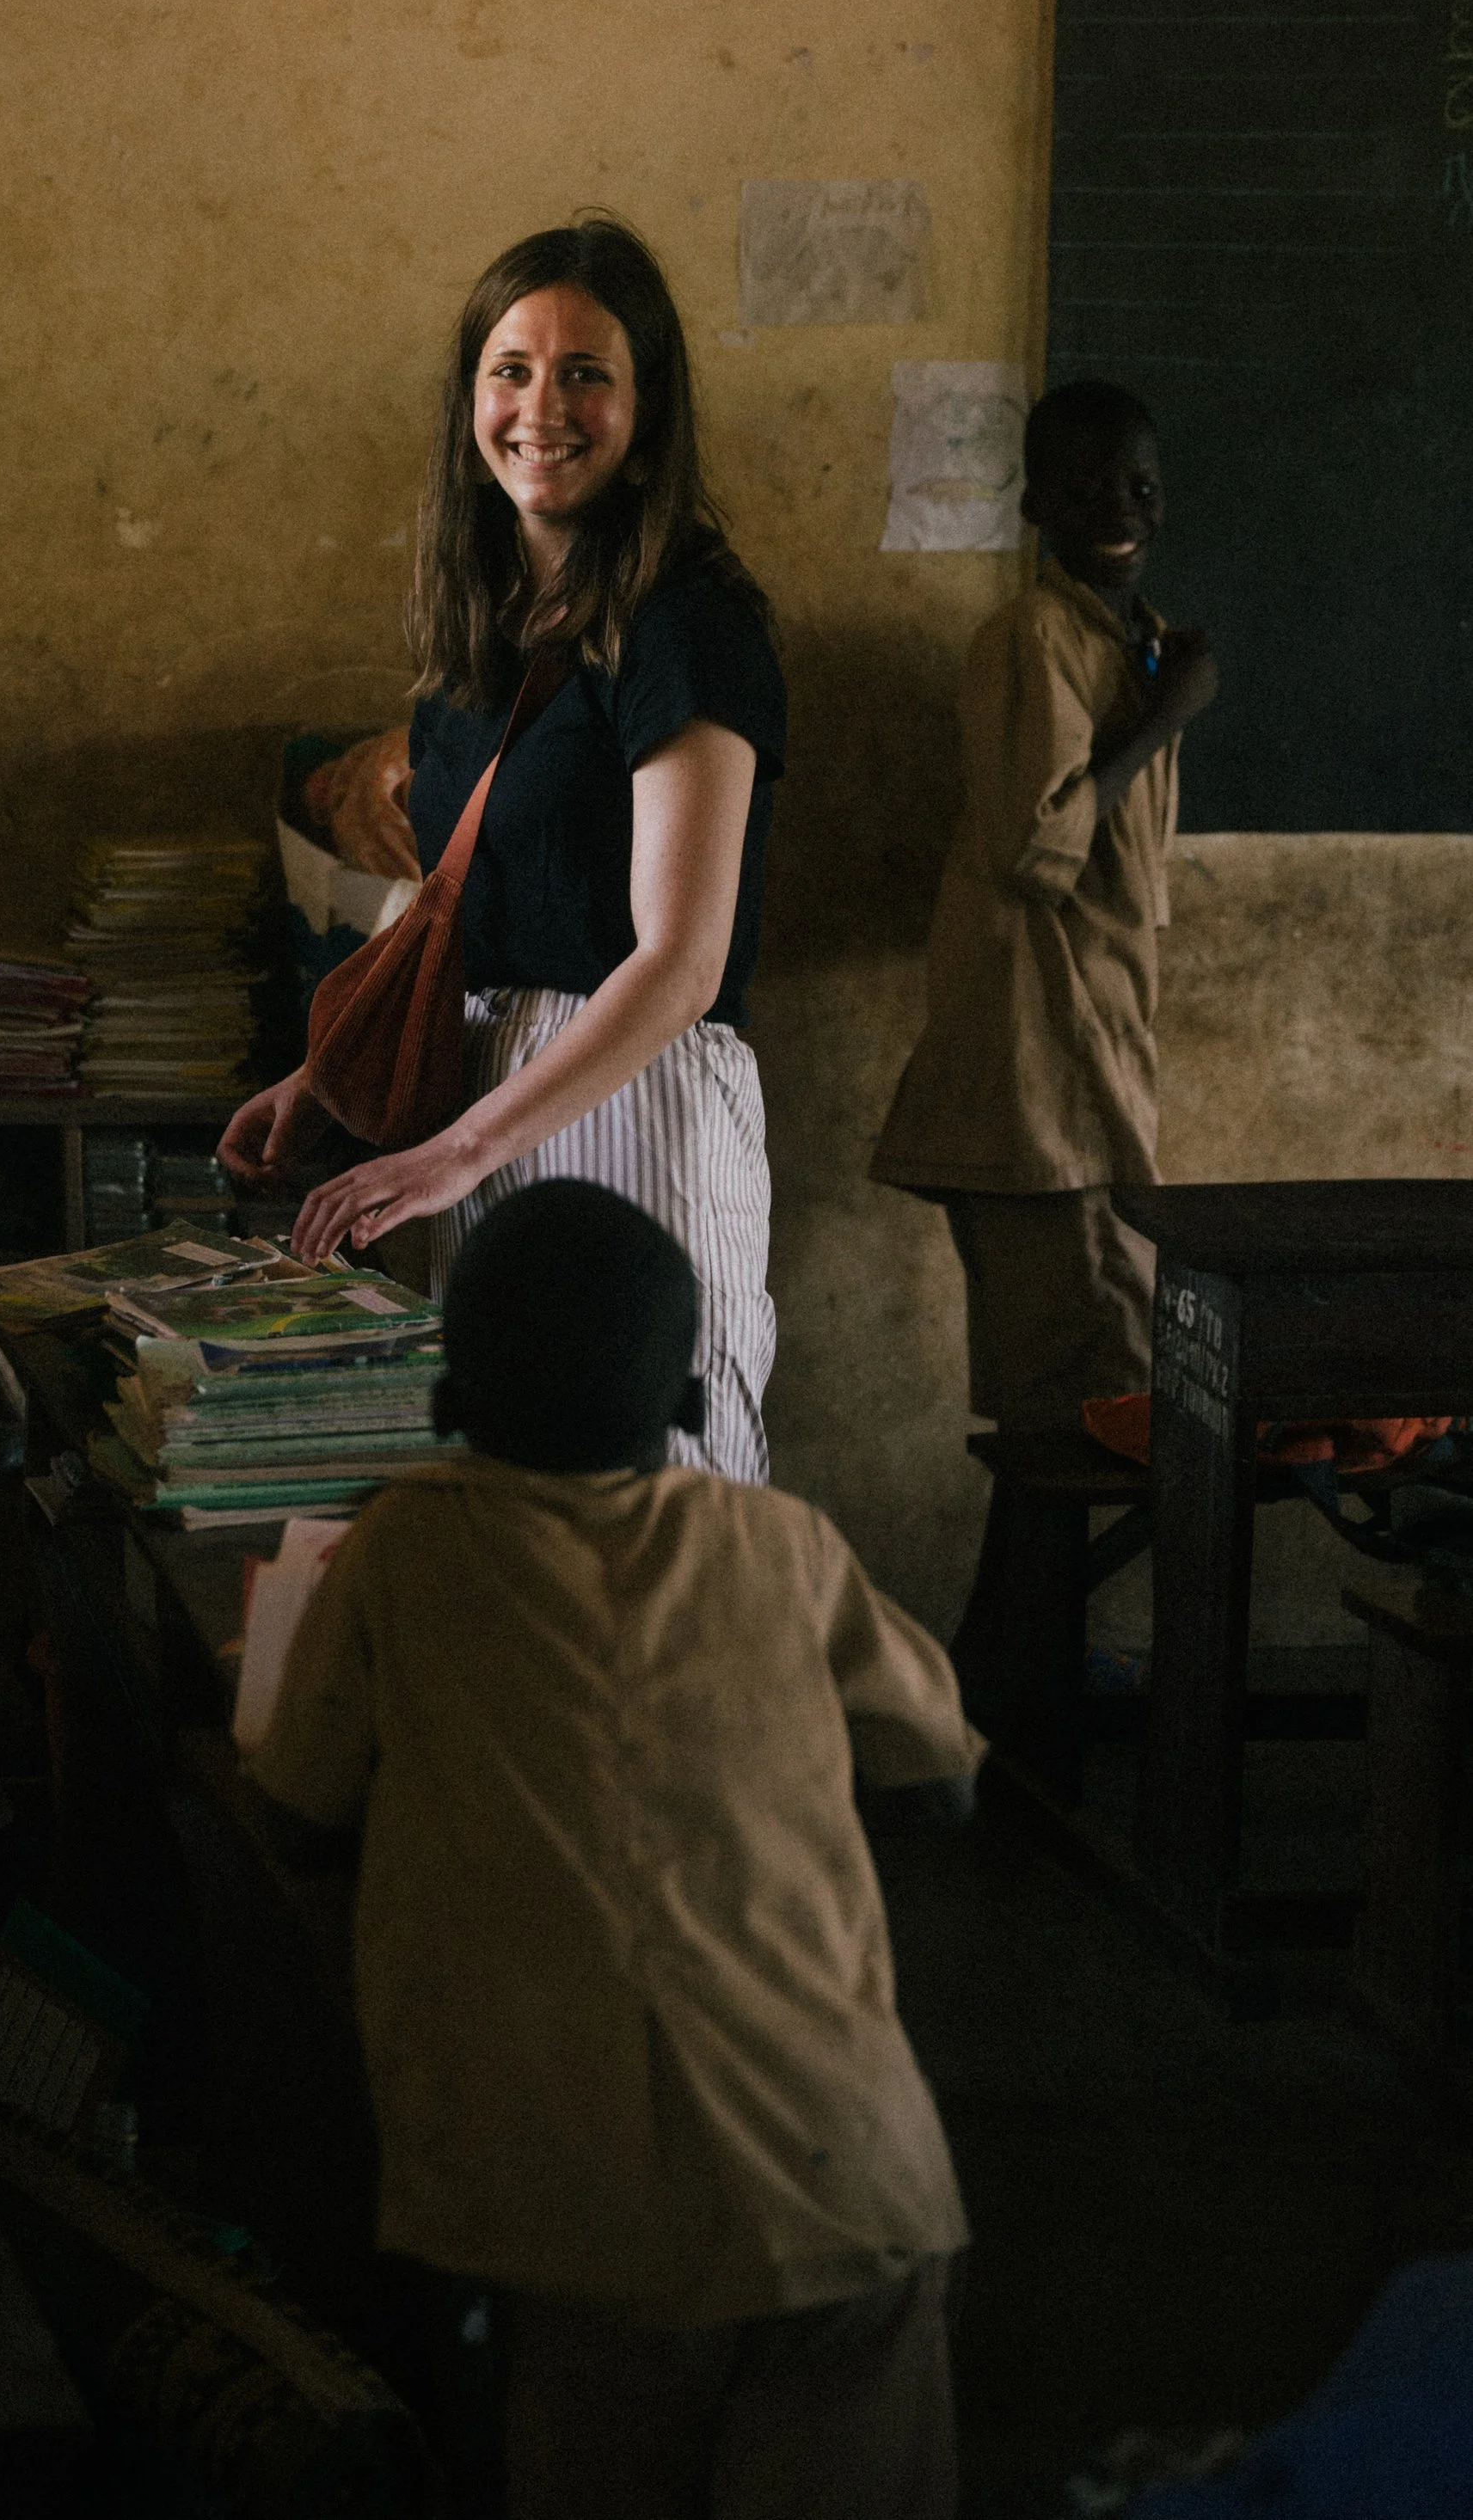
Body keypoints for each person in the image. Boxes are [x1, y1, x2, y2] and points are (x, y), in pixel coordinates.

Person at [249, 1180, 982, 2520]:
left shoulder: (404, 1546)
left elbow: (298, 1815)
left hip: (580, 2220)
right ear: (691, 1401)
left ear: (448, 1398)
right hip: (848, 2172)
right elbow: (937, 1782)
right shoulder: (784, 1542)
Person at [220, 218, 788, 1479]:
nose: (545, 405)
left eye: (589, 371)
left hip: (633, 1095)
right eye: (512, 368)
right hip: (480, 1094)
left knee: (667, 1487)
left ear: (648, 413)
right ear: (471, 400)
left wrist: (456, 1148)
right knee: (513, 1498)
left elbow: (680, 964)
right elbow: (450, 909)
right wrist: (328, 1079)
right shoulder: (487, 643)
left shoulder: (687, 628)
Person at [869, 379, 1218, 1433]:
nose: (1119, 509)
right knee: (1087, 1414)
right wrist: (1163, 721)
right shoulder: (1033, 637)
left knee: (1077, 1419)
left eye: (1139, 486)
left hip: (1087, 1065)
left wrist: (1159, 697)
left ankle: (1018, 1607)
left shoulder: (1137, 641)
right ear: (1035, 509)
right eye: (1084, 489)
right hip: (1042, 1081)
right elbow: (1036, 841)